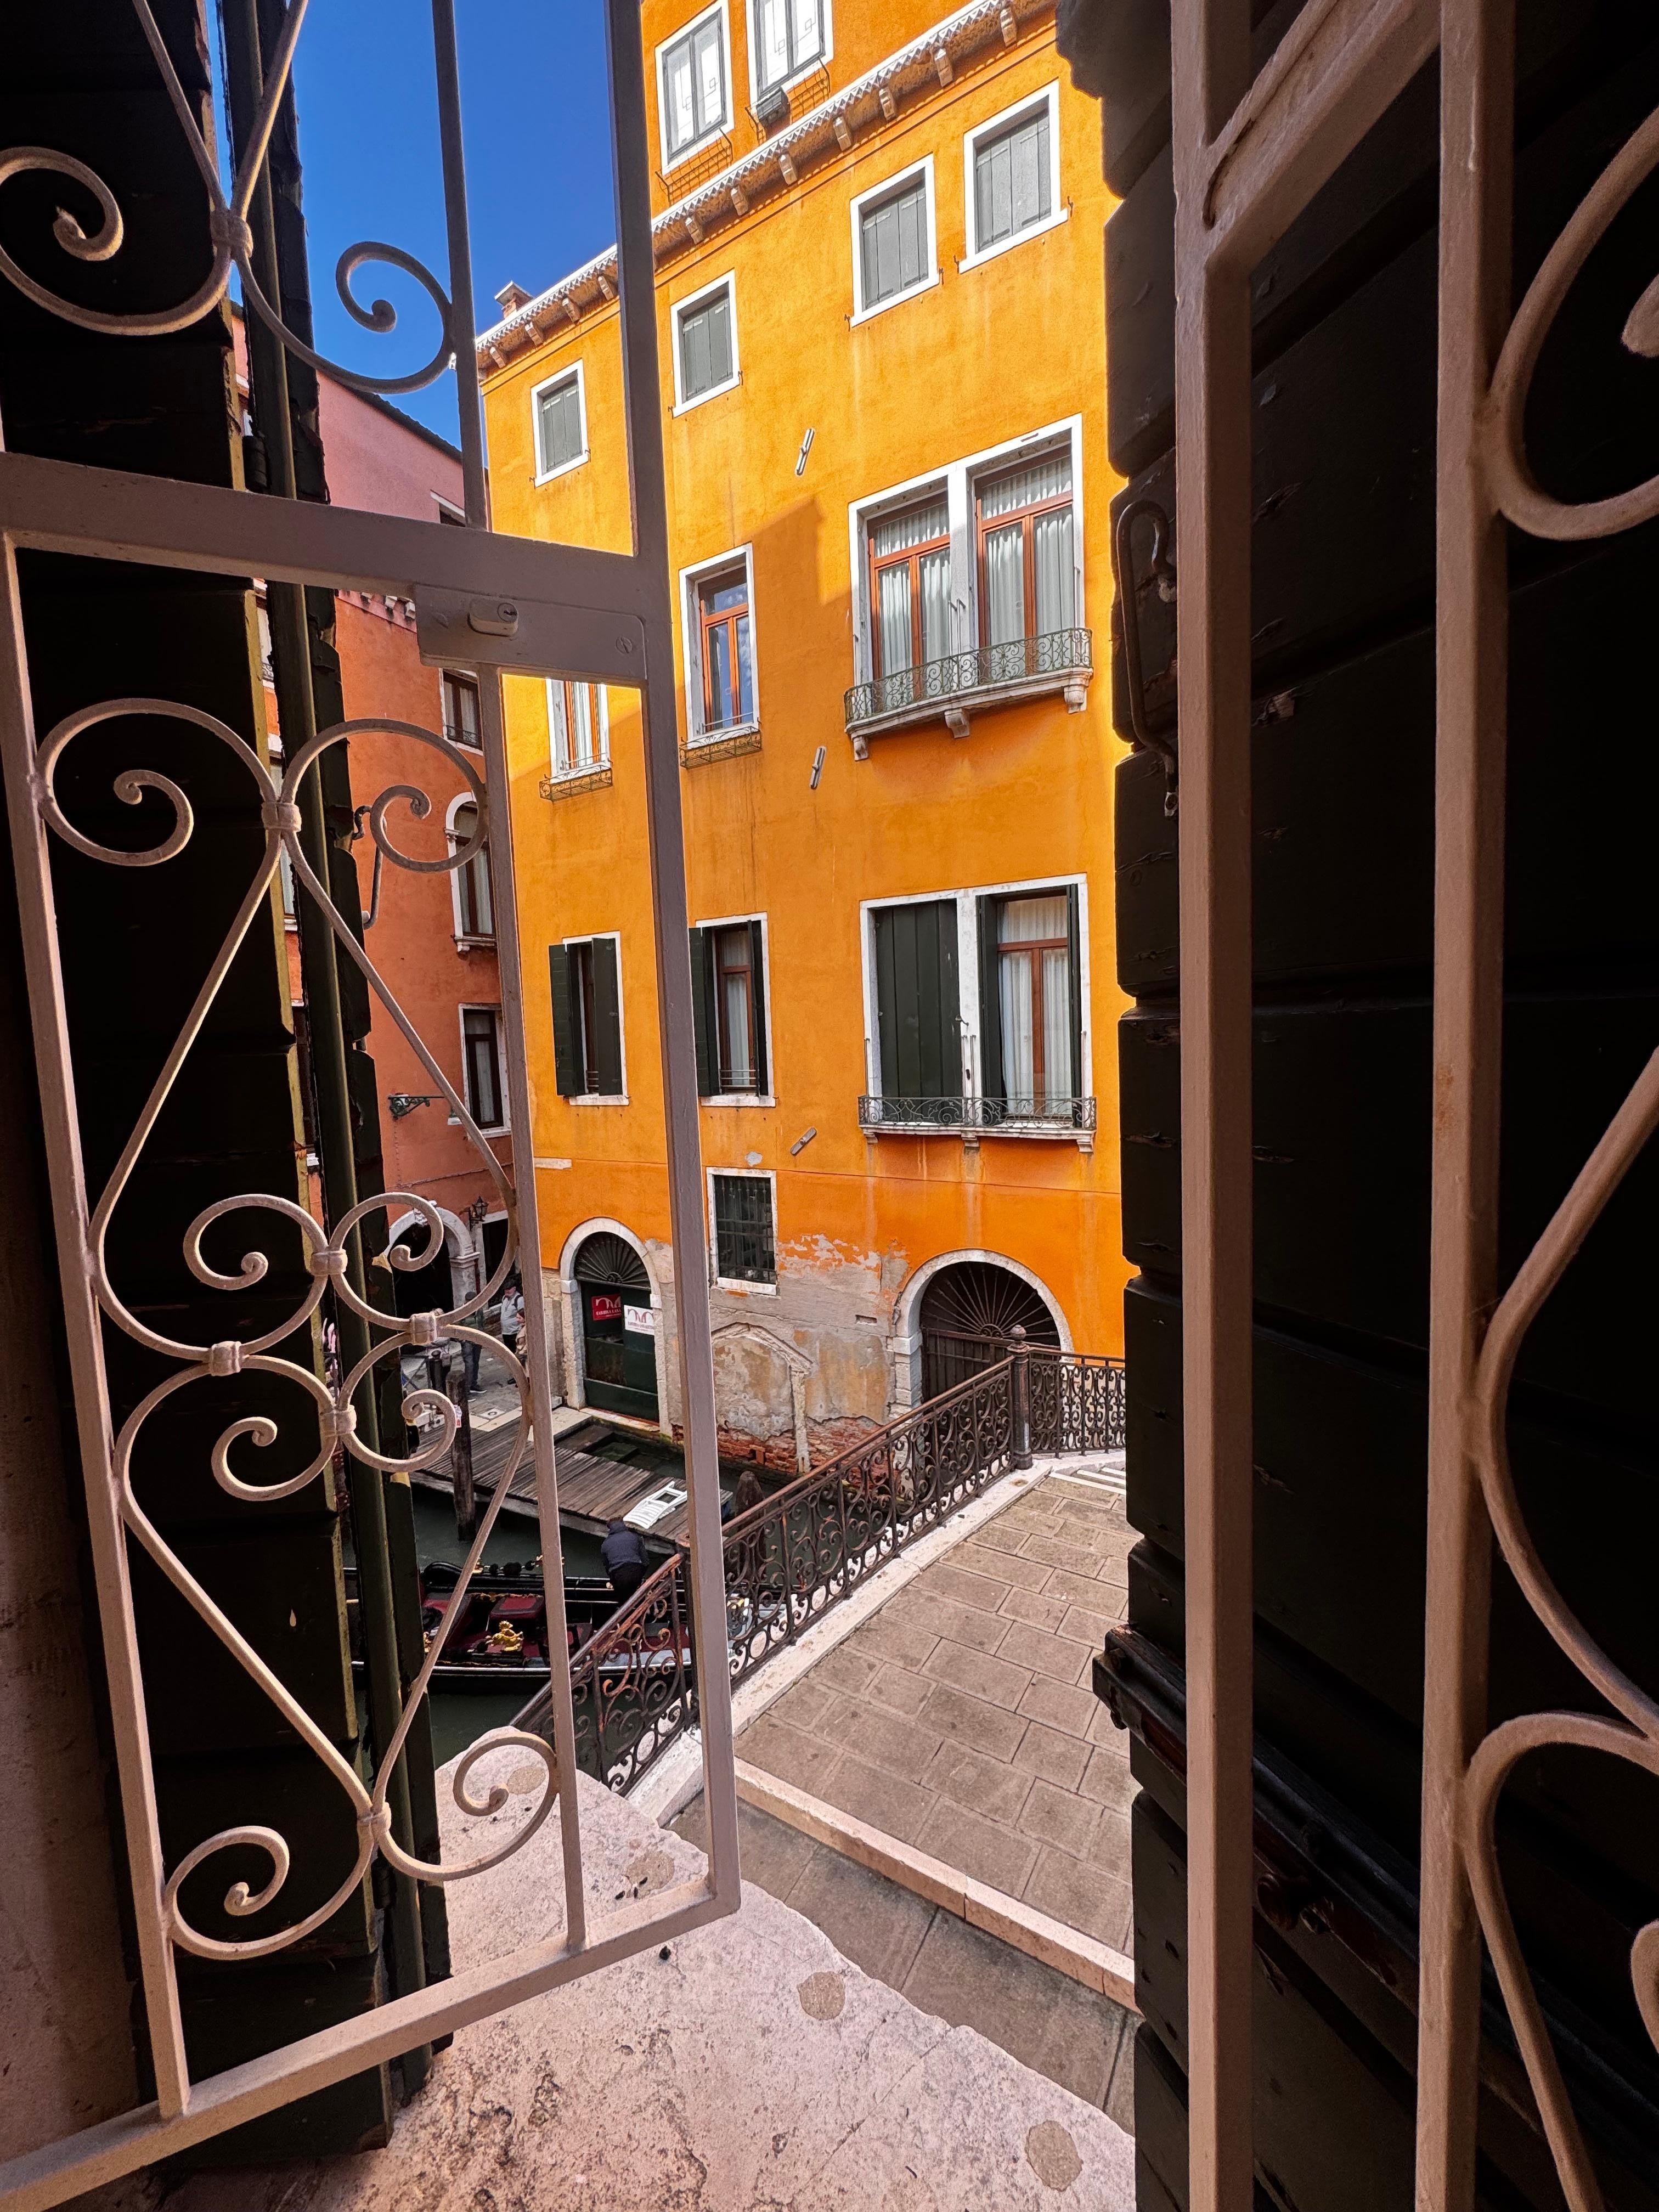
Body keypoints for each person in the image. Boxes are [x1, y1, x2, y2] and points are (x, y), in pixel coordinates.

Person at [600, 1517, 650, 1603]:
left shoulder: (605, 1544)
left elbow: (607, 1567)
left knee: (623, 1601)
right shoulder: (635, 1537)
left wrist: (613, 1580)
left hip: (619, 1575)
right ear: (623, 1525)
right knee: (638, 1596)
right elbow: (646, 1561)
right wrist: (642, 1574)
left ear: (609, 1528)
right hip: (636, 1571)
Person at [498, 1278, 525, 1367]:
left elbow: (522, 1315)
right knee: (510, 1354)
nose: (507, 1291)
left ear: (514, 1289)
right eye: (506, 1289)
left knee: (517, 1354)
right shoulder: (504, 1298)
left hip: (515, 1332)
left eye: (509, 1289)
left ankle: (520, 1371)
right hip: (506, 1332)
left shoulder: (519, 1299)